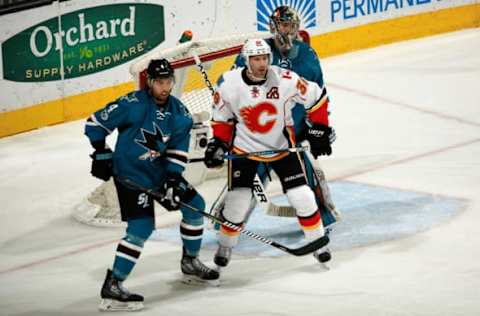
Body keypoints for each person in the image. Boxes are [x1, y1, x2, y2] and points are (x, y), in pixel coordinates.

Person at [85, 59, 219, 311]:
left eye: (169, 81)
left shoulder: (180, 113)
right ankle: (113, 284)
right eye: (160, 82)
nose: (165, 86)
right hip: (130, 176)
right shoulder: (132, 104)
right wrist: (101, 152)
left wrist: (173, 178)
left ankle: (190, 261)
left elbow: (178, 150)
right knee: (141, 228)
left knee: (195, 206)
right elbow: (95, 123)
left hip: (158, 174)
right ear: (150, 82)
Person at [204, 38, 333, 271]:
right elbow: (222, 120)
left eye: (265, 58)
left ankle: (318, 243)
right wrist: (219, 144)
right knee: (236, 205)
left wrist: (320, 128)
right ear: (246, 60)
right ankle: (225, 247)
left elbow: (317, 96)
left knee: (302, 196)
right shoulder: (229, 83)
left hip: (283, 149)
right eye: (256, 59)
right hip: (245, 152)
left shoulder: (285, 79)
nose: (262, 64)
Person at [232, 5, 339, 230]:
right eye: (283, 25)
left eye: (291, 25)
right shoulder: (256, 53)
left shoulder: (307, 55)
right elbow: (233, 91)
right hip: (258, 137)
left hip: (295, 134)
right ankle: (228, 224)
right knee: (243, 188)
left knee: (310, 178)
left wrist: (320, 127)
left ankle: (320, 222)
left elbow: (318, 95)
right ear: (273, 27)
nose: (287, 31)